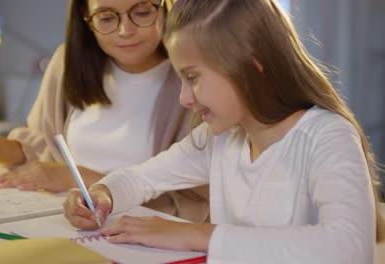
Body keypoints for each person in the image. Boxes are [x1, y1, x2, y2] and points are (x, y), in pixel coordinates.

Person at [63, 0, 385, 263]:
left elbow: (349, 249)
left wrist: (198, 234)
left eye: (192, 77)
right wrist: (104, 194)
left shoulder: (327, 137)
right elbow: (142, 178)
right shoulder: (217, 140)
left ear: (250, 63)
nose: (184, 98)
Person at [0, 0, 209, 223]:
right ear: (86, 18)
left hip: (142, 230)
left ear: (165, 6)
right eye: (106, 17)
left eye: (143, 12)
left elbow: (196, 198)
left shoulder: (193, 80)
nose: (125, 30)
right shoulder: (67, 63)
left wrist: (79, 178)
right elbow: (44, 153)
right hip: (55, 217)